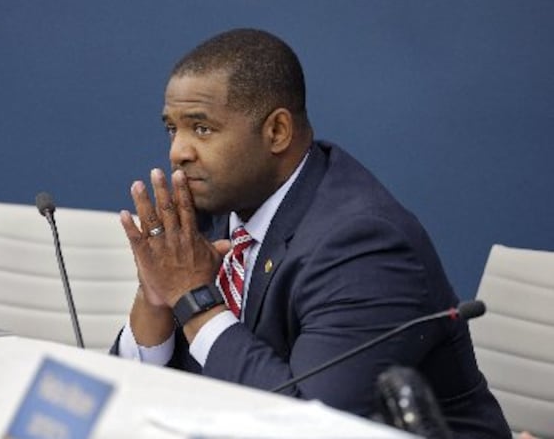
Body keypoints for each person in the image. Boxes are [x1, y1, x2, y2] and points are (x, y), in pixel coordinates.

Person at [111, 28, 510, 437]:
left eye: (202, 128)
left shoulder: (364, 244)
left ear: (277, 132)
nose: (178, 150)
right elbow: (130, 398)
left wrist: (194, 301)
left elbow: (310, 425)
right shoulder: (213, 211)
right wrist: (156, 299)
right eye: (172, 129)